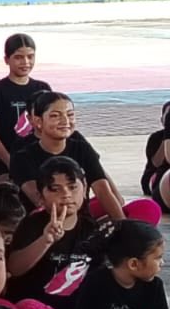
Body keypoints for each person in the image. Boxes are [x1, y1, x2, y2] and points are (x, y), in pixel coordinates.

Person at [8, 92, 146, 223]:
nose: (65, 121)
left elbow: (102, 190)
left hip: (82, 222)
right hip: (43, 225)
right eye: (55, 116)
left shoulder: (81, 148)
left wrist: (123, 228)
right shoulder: (23, 157)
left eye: (70, 115)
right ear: (38, 121)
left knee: (146, 208)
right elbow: (40, 200)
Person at [6, 157, 100, 309]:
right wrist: (46, 240)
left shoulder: (92, 230)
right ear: (41, 197)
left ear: (84, 189)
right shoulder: (32, 225)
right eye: (55, 189)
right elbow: (14, 268)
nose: (66, 194)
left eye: (72, 187)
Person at [0, 34, 50, 191]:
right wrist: (11, 162)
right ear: (6, 59)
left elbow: (49, 126)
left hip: (37, 159)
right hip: (3, 161)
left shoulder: (42, 88)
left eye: (30, 56)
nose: (25, 62)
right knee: (13, 194)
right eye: (18, 57)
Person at [141, 101, 170, 215]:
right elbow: (156, 163)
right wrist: (166, 136)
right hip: (154, 174)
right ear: (162, 119)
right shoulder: (156, 137)